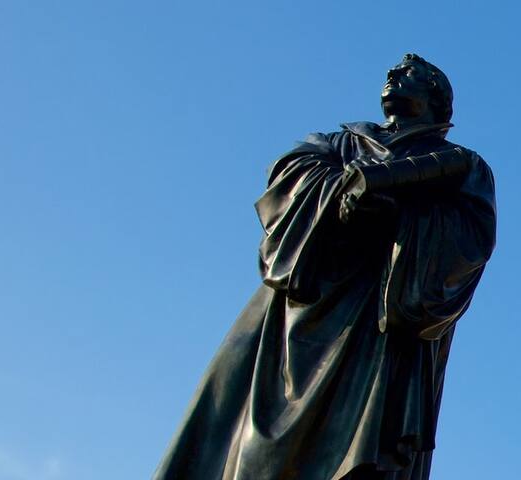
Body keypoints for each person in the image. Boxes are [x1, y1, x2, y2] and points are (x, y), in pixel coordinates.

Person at [156, 53, 495, 480]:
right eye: (392, 70)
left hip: (380, 313)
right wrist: (340, 193)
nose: (392, 75)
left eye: (409, 73)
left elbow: (469, 240)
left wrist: (399, 214)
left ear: (435, 95)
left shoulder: (460, 165)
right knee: (238, 436)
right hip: (303, 297)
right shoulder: (340, 142)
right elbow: (289, 174)